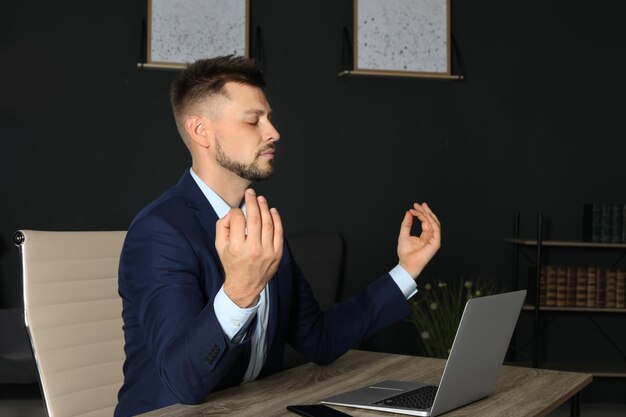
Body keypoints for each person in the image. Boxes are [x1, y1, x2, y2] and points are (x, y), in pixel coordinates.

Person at [114, 55, 441, 417]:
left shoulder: (263, 226)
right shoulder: (159, 232)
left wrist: (405, 270)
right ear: (200, 130)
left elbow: (319, 340)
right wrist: (239, 292)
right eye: (254, 120)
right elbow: (183, 383)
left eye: (268, 118)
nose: (273, 132)